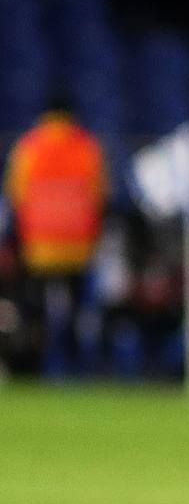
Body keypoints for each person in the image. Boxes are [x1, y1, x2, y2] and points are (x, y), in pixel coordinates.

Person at [3, 100, 108, 374]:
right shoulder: (87, 147)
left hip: (39, 247)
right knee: (75, 310)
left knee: (34, 310)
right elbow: (100, 194)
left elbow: (16, 195)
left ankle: (34, 363)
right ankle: (75, 366)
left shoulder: (29, 146)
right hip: (78, 246)